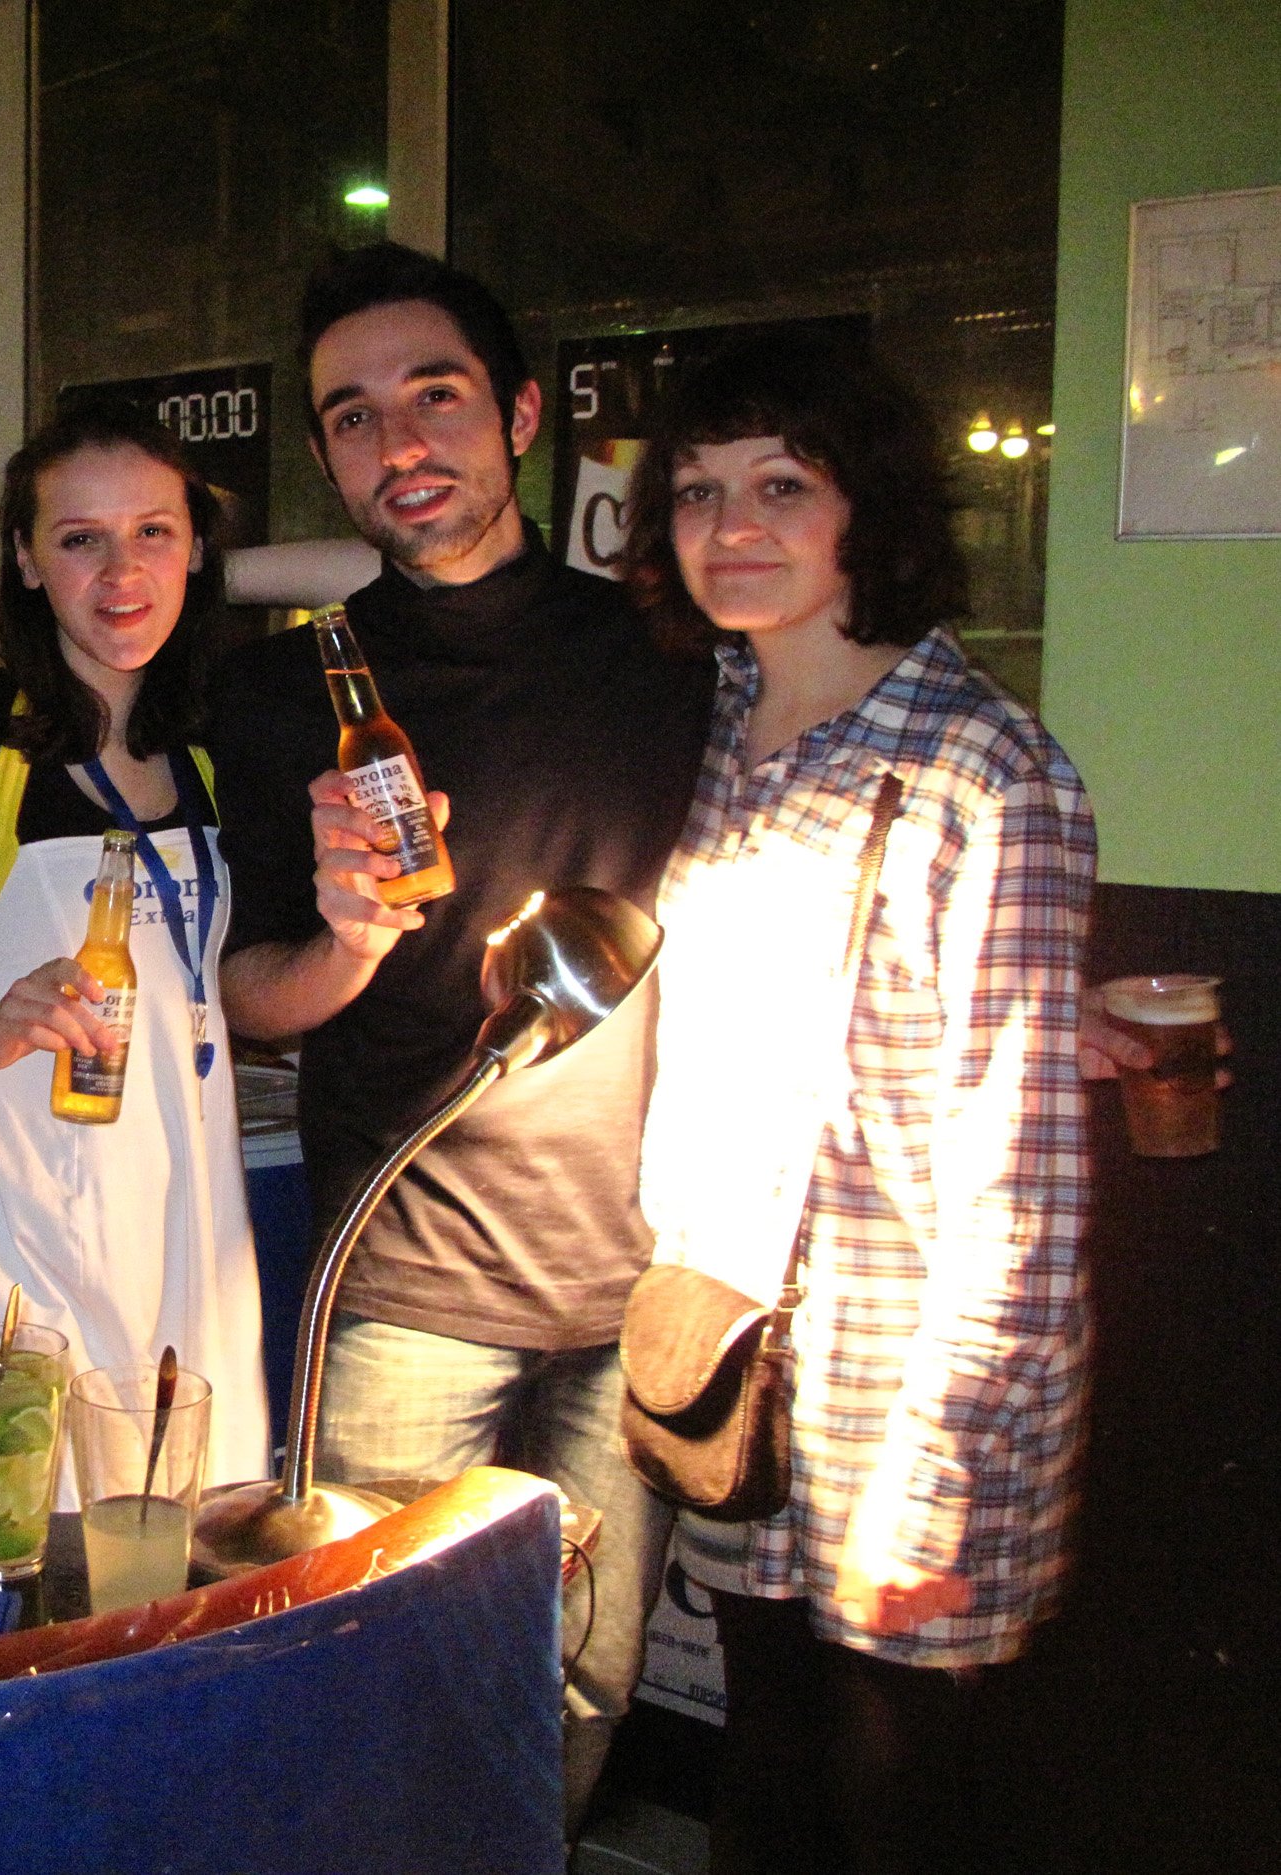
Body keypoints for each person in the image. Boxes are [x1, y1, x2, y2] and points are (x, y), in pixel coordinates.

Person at [206, 243, 713, 1831]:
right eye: (353, 418)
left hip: (637, 1276)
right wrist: (346, 938)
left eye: (435, 397)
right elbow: (242, 988)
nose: (400, 445)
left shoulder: (673, 652)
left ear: (520, 414)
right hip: (405, 1278)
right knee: (376, 1700)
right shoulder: (287, 693)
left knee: (577, 1695)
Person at [621, 331, 1092, 1874]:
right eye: (698, 490)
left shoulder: (985, 771)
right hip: (740, 1367)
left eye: (782, 485)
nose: (731, 526)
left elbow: (1021, 1190)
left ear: (865, 507)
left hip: (908, 1397)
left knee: (898, 1809)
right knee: (765, 1784)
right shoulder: (714, 730)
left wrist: (936, 1477)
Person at [0, 403, 271, 1497]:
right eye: (81, 538)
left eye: (154, 533)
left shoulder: (216, 747)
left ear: (197, 550)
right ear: (28, 560)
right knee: (10, 1542)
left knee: (183, 1544)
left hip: (188, 1230)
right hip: (5, 1234)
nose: (122, 573)